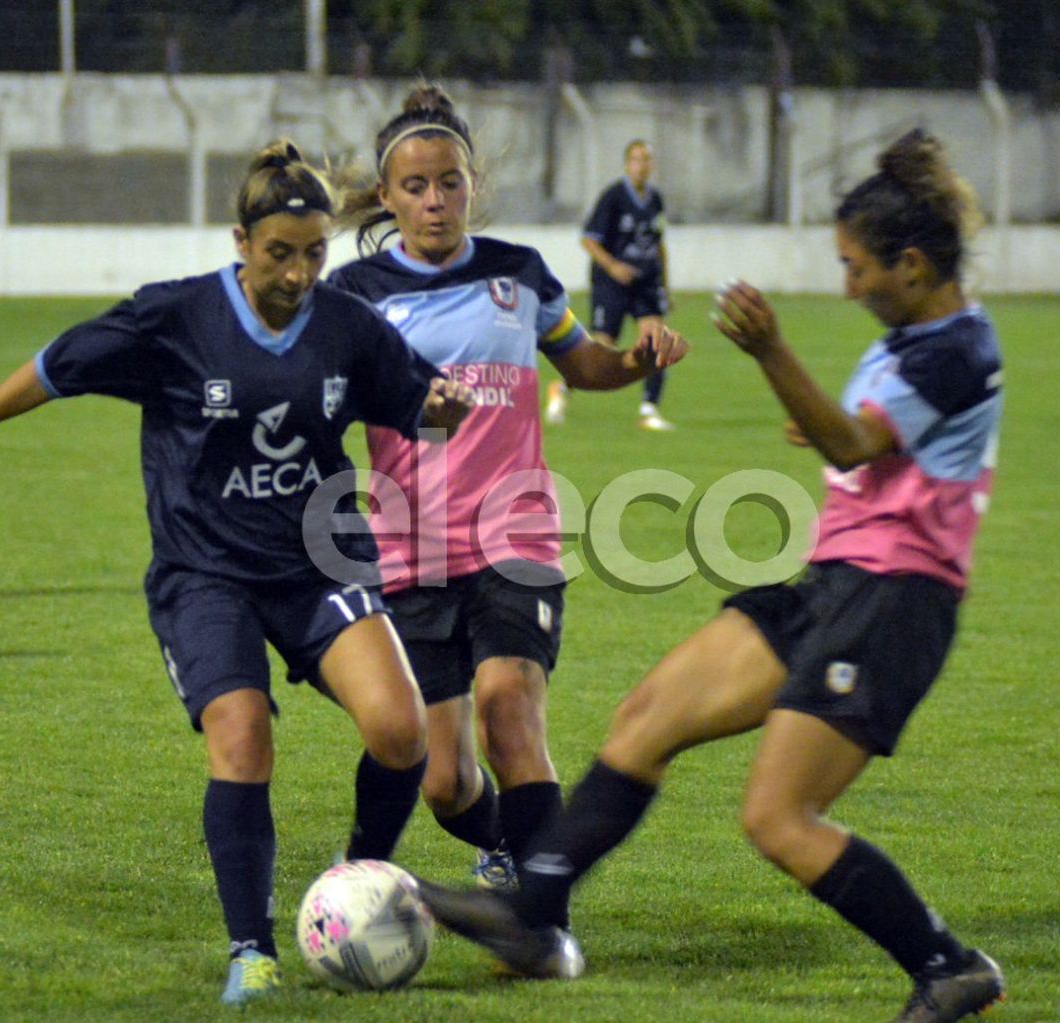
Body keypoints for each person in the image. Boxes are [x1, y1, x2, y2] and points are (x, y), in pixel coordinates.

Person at [417, 129, 1008, 1023]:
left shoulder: (954, 348)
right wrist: (829, 429)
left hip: (895, 600)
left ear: (915, 265)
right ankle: (529, 911)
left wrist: (772, 352)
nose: (848, 285)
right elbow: (868, 439)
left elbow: (858, 438)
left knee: (779, 818)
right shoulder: (918, 334)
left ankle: (949, 964)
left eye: (857, 268)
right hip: (833, 583)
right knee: (647, 714)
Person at [0, 140, 475, 1006]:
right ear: (240, 239)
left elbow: (414, 401)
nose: (300, 271)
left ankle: (359, 880)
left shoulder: (346, 324)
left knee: (401, 731)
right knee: (241, 736)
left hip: (317, 558)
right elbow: (57, 368)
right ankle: (253, 950)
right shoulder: (175, 318)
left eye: (315, 253)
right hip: (205, 572)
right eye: (280, 253)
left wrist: (440, 411)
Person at [330, 87, 688, 897]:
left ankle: (542, 918)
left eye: (449, 182)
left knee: (508, 708)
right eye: (415, 187)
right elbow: (333, 401)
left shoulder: (519, 273)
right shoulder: (354, 295)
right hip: (411, 549)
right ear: (386, 197)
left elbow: (584, 363)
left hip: (515, 535)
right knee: (444, 780)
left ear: (470, 184)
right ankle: (508, 848)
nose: (434, 201)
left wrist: (636, 360)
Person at [545, 139, 673, 431]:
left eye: (647, 160)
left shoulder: (655, 200)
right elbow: (588, 239)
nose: (642, 166)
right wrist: (613, 266)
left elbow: (659, 244)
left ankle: (649, 409)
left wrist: (666, 285)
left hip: (645, 282)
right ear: (627, 164)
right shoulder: (613, 197)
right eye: (636, 159)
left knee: (657, 340)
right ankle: (561, 389)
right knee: (601, 351)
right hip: (611, 284)